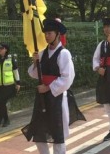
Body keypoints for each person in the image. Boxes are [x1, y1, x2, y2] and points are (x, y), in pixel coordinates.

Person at [26, 19, 80, 154]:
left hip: (57, 97)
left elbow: (67, 78)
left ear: (57, 34)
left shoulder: (64, 53)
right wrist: (35, 63)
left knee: (57, 134)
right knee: (39, 132)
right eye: (45, 33)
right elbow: (34, 74)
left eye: (49, 33)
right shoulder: (43, 53)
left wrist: (48, 87)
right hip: (42, 96)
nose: (46, 36)